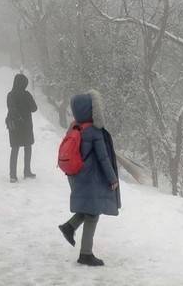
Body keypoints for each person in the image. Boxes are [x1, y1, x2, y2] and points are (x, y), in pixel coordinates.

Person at [57, 90, 120, 267]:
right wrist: (112, 178)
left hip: (76, 175)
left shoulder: (74, 126)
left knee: (88, 208)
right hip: (92, 178)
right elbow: (103, 158)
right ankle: (86, 254)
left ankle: (69, 227)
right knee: (92, 214)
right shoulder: (94, 131)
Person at [5, 73, 38, 182]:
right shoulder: (27, 94)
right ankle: (27, 171)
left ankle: (13, 175)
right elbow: (34, 108)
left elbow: (11, 108)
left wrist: (18, 117)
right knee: (28, 148)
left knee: (15, 149)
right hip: (26, 126)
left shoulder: (10, 95)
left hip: (14, 126)